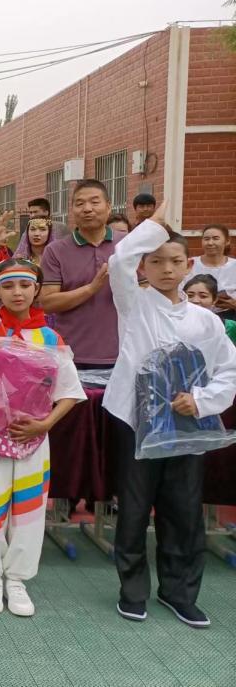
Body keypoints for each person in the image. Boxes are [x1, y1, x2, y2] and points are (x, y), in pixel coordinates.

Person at [104, 201, 236, 628]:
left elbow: (228, 368)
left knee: (183, 508)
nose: (166, 269)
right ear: (144, 266)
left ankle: (179, 592)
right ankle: (132, 590)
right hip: (136, 421)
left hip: (187, 424)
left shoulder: (205, 320)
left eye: (175, 261)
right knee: (134, 507)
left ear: (188, 265)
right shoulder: (134, 304)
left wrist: (202, 400)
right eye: (156, 261)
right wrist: (153, 225)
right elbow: (119, 259)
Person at [0, 213, 85, 617]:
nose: (17, 292)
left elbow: (70, 392)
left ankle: (17, 579)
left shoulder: (50, 338)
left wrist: (45, 424)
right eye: (8, 285)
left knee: (29, 511)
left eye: (25, 285)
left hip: (32, 438)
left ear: (36, 290)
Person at [39, 180, 124, 370]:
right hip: (70, 357)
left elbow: (145, 293)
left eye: (95, 202)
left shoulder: (126, 245)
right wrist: (90, 289)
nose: (87, 209)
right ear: (72, 210)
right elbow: (48, 303)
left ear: (108, 206)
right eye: (80, 203)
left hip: (123, 355)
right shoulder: (56, 251)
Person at [185, 225, 236, 318]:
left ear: (227, 241)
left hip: (229, 317)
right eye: (206, 239)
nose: (210, 243)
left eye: (215, 238)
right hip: (193, 315)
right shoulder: (189, 264)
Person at [183, 275, 236, 346]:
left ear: (214, 300)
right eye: (190, 296)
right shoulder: (173, 323)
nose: (195, 300)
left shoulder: (230, 327)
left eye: (203, 296)